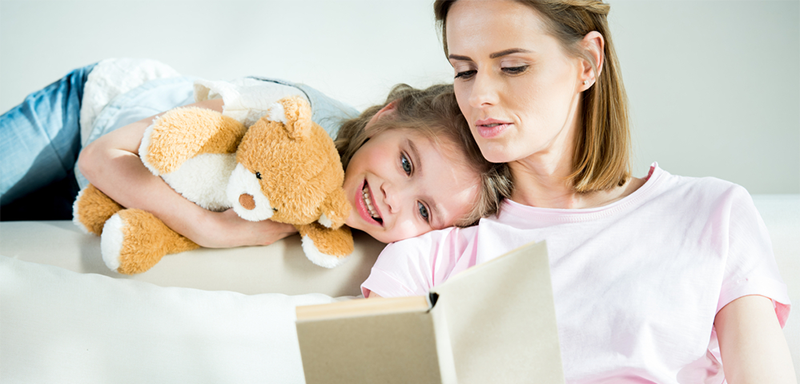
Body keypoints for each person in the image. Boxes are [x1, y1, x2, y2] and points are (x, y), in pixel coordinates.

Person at [364, 1, 800, 384]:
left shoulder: (712, 210)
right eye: (464, 70)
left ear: (587, 63)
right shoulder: (422, 260)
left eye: (513, 66)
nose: (479, 96)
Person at [0, 58, 513, 249]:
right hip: (90, 115)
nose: (393, 198)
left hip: (103, 191)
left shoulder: (347, 226)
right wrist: (211, 228)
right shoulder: (287, 119)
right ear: (386, 115)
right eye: (406, 163)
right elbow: (100, 156)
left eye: (424, 211)